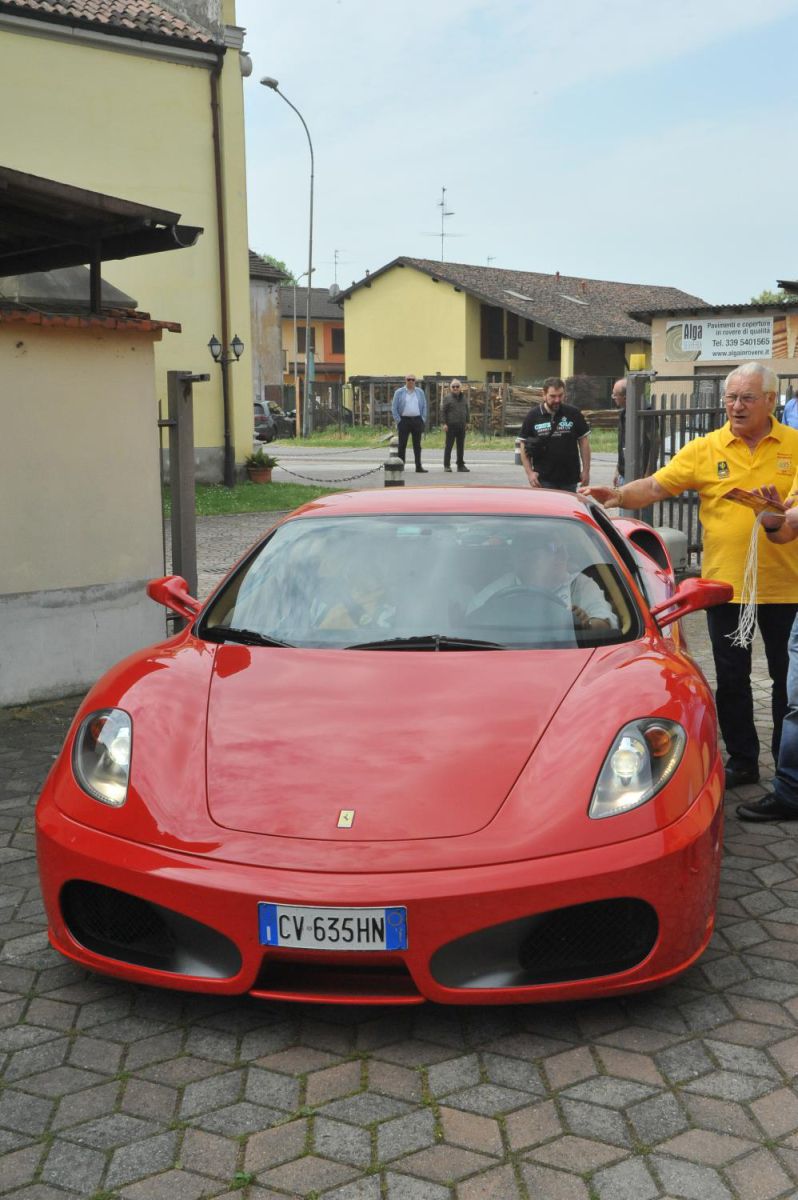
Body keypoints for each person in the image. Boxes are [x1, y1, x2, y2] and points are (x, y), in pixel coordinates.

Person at [581, 362, 798, 792]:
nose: (736, 406)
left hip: (787, 587)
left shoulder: (794, 445)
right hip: (724, 587)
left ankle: (785, 768)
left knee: (787, 683)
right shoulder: (706, 448)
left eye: (747, 398)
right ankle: (743, 761)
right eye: (731, 398)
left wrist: (776, 516)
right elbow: (657, 486)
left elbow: (790, 521)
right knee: (731, 679)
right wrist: (619, 494)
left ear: (771, 401)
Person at [520, 377, 590, 492]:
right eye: (552, 396)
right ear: (544, 395)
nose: (557, 400)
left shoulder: (573, 413)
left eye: (560, 395)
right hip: (543, 480)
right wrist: (530, 473)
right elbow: (523, 444)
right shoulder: (533, 416)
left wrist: (586, 471)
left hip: (569, 479)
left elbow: (584, 442)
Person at [391, 373, 428, 473]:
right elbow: (394, 407)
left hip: (417, 420)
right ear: (405, 381)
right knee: (402, 445)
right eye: (408, 379)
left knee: (417, 445)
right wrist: (398, 420)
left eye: (413, 380)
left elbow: (424, 405)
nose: (411, 381)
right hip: (404, 421)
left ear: (415, 381)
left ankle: (418, 466)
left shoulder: (420, 392)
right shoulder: (399, 392)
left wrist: (423, 419)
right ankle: (401, 466)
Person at [441, 379, 470, 473]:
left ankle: (460, 465)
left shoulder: (464, 398)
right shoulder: (447, 398)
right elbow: (443, 411)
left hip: (461, 425)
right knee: (449, 446)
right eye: (453, 386)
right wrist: (444, 423)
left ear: (460, 387)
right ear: (451, 388)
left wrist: (467, 422)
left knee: (460, 446)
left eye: (457, 386)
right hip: (451, 426)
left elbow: (467, 410)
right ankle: (447, 466)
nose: (455, 388)